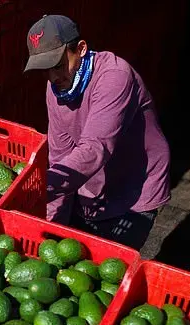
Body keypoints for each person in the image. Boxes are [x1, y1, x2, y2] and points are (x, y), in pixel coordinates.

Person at [24, 15, 170, 250]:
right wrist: (49, 229)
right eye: (45, 70)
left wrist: (40, 186)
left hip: (136, 187)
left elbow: (95, 148)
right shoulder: (56, 90)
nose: (53, 77)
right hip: (92, 186)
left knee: (112, 267)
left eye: (59, 66)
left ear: (81, 49)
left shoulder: (114, 76)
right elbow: (61, 157)